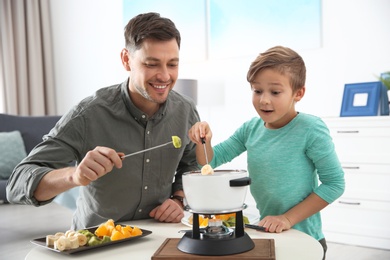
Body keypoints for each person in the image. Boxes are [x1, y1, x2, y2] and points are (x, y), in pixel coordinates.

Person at [7, 12, 200, 230]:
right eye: (152, 64)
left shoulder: (186, 110)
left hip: (159, 237)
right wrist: (74, 176)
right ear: (127, 60)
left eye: (172, 64)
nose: (165, 76)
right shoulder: (88, 114)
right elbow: (17, 184)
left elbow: (192, 164)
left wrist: (179, 198)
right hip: (97, 244)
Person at [188, 46, 345, 259]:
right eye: (257, 90)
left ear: (298, 93)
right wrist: (203, 138)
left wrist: (288, 218)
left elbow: (334, 184)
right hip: (270, 232)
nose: (264, 100)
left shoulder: (310, 129)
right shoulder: (250, 129)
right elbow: (209, 161)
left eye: (275, 92)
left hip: (304, 238)